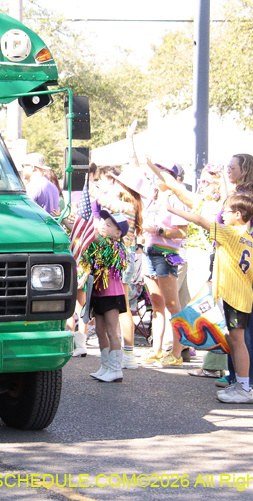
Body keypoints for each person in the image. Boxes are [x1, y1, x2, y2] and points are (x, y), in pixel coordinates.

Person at [167, 193, 253, 403]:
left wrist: (172, 210)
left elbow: (199, 220)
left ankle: (244, 388)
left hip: (234, 296)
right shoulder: (250, 240)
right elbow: (252, 269)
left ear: (238, 214)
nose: (221, 215)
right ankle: (239, 383)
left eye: (225, 211)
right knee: (234, 340)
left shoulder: (229, 232)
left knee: (237, 341)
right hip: (241, 294)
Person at [148, 161, 226, 377]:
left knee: (207, 307)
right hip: (192, 259)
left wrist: (172, 209)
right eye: (200, 180)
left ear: (218, 184)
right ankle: (198, 356)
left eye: (208, 181)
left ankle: (214, 364)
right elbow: (174, 185)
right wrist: (150, 165)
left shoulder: (221, 206)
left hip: (206, 259)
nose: (202, 185)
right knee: (193, 307)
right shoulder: (199, 201)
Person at [218, 153, 253, 389]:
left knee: (241, 319)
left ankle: (245, 379)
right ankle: (237, 375)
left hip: (243, 255)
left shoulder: (245, 198)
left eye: (232, 167)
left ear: (244, 169)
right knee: (235, 319)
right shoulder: (244, 193)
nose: (228, 170)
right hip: (237, 252)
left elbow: (217, 222)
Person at [96, 166, 147, 369]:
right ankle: (125, 354)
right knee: (123, 307)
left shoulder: (125, 207)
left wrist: (90, 185)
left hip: (120, 259)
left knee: (123, 307)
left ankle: (128, 354)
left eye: (118, 181)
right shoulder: (131, 206)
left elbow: (102, 200)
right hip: (126, 257)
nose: (115, 184)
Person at [139, 159, 190, 367]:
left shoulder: (176, 198)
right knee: (156, 304)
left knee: (172, 305)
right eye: (157, 171)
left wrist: (158, 231)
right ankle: (156, 350)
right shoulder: (153, 196)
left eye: (163, 172)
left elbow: (182, 232)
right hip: (149, 252)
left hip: (165, 254)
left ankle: (177, 352)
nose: (157, 175)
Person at [82, 210, 130, 383]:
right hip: (98, 292)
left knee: (111, 331)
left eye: (109, 225)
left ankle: (116, 369)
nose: (104, 226)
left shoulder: (114, 246)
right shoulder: (99, 244)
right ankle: (105, 365)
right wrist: (66, 221)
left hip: (112, 294)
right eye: (104, 223)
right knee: (100, 331)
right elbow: (88, 237)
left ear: (118, 234)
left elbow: (91, 235)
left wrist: (78, 223)